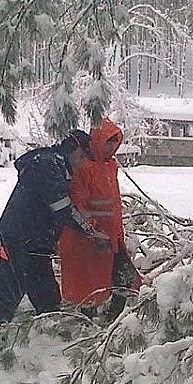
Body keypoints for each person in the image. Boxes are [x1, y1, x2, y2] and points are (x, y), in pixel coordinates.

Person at [0, 130, 110, 334]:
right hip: (20, 238)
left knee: (47, 293)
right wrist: (90, 232)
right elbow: (62, 208)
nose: (82, 163)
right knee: (11, 289)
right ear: (75, 152)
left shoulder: (56, 166)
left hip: (36, 241)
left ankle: (48, 337)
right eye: (83, 157)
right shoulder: (47, 165)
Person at [59, 117, 140, 321]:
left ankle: (113, 318)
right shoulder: (84, 167)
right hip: (90, 238)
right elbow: (78, 204)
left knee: (124, 278)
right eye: (108, 143)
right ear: (97, 142)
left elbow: (112, 204)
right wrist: (94, 229)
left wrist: (117, 233)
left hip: (112, 236)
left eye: (115, 143)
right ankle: (89, 321)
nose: (111, 148)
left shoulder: (111, 166)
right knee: (89, 283)